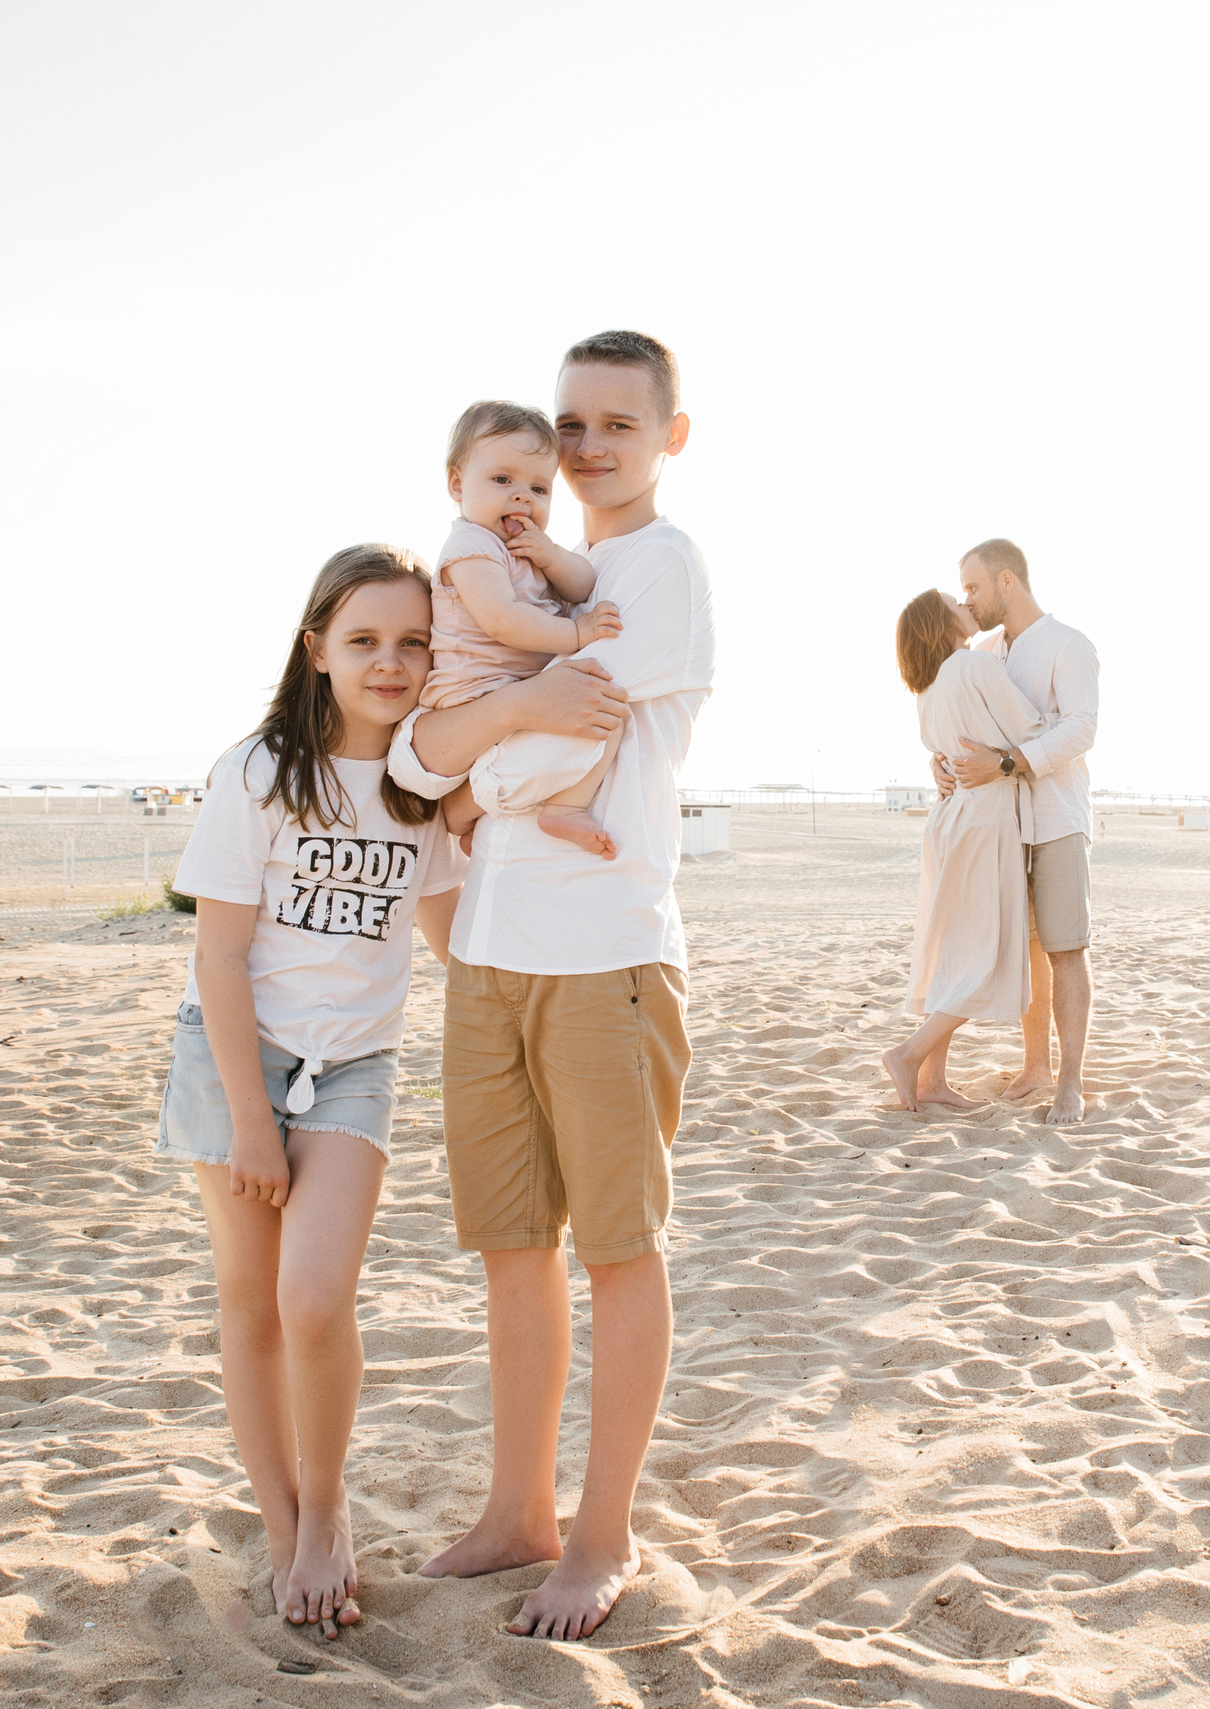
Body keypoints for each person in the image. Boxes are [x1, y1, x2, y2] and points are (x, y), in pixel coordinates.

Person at [386, 329, 712, 1642]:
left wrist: (468, 778)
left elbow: (556, 727)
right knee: (511, 1248)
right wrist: (462, 771)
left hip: (604, 951)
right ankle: (518, 1509)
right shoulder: (516, 563)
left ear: (669, 436)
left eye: (617, 424)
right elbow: (415, 755)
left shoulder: (658, 569)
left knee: (619, 1250)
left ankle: (602, 1531)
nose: (585, 447)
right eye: (570, 423)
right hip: (490, 952)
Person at [151, 544, 472, 1634]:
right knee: (250, 1302)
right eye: (364, 639)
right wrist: (250, 1116)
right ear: (317, 649)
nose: (391, 661)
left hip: (354, 1068)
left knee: (316, 1296)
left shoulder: (424, 783)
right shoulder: (258, 771)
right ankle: (283, 1523)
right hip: (235, 1057)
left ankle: (328, 1505)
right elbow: (218, 953)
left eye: (413, 641)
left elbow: (451, 932)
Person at [935, 538, 1101, 1124]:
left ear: (1007, 580)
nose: (967, 600)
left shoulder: (1068, 645)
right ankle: (1035, 1067)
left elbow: (1080, 729)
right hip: (1001, 825)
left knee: (1065, 949)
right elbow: (962, 722)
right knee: (1028, 949)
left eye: (974, 587)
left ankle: (1070, 1083)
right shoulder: (983, 652)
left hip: (1056, 818)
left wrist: (1007, 763)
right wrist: (940, 762)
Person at [424, 400, 628, 859]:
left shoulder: (529, 548)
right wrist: (578, 635)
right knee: (590, 716)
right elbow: (502, 620)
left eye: (539, 488)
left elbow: (583, 584)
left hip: (517, 687)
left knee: (604, 715)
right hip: (476, 691)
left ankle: (539, 811)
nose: (522, 498)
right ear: (458, 484)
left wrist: (551, 555)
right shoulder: (472, 546)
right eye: (502, 480)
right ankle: (493, 812)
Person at [881, 590, 1042, 1111]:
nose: (967, 605)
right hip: (984, 817)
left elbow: (942, 749)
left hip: (950, 819)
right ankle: (909, 1055)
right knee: (985, 956)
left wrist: (942, 762)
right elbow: (1032, 729)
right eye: (956, 602)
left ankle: (932, 1081)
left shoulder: (928, 688)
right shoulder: (973, 666)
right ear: (940, 621)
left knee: (952, 950)